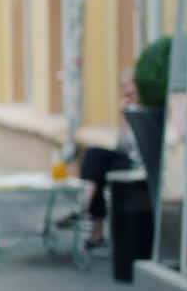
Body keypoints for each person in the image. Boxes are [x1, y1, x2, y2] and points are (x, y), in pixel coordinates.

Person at [57, 77, 142, 249]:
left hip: (140, 164)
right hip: (126, 159)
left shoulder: (147, 113)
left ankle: (83, 208)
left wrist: (133, 117)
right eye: (125, 95)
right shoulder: (128, 114)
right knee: (93, 161)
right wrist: (125, 119)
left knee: (96, 165)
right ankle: (91, 222)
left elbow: (140, 147)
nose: (128, 98)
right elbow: (123, 146)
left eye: (132, 94)